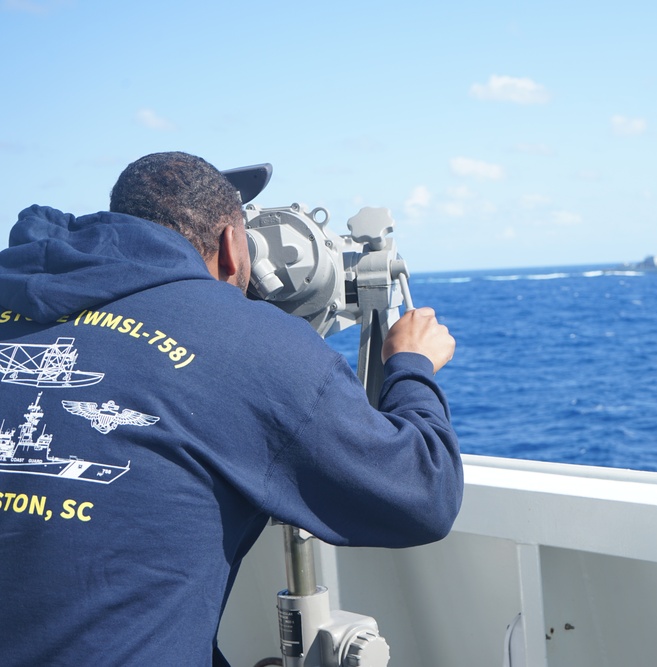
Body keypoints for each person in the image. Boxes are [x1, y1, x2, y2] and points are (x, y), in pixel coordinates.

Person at [0, 152, 463, 665]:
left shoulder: (20, 299)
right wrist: (411, 365)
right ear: (231, 243)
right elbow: (423, 493)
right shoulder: (244, 343)